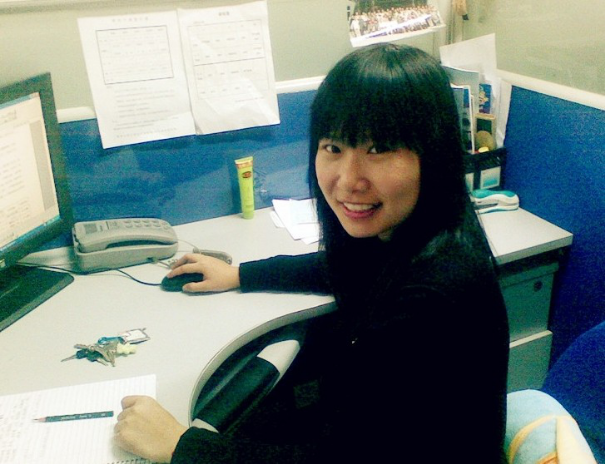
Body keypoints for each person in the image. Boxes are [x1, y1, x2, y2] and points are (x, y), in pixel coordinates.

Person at [114, 43, 510, 464]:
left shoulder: (433, 296)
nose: (348, 180)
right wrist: (241, 274)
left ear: (433, 156)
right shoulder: (410, 236)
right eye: (333, 147)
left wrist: (181, 446)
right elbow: (344, 267)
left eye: (378, 149)